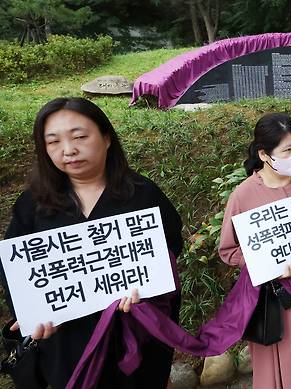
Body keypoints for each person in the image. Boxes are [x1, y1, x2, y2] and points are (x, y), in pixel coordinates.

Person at [1, 97, 183, 389]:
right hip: (65, 343)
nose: (68, 150)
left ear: (106, 138)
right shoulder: (33, 204)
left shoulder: (144, 196)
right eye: (53, 142)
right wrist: (31, 313)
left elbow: (169, 252)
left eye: (80, 137)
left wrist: (147, 293)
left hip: (131, 338)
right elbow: (15, 267)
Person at [218, 113, 291, 389]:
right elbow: (229, 250)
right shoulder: (244, 195)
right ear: (264, 154)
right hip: (273, 296)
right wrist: (267, 264)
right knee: (280, 355)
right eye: (287, 150)